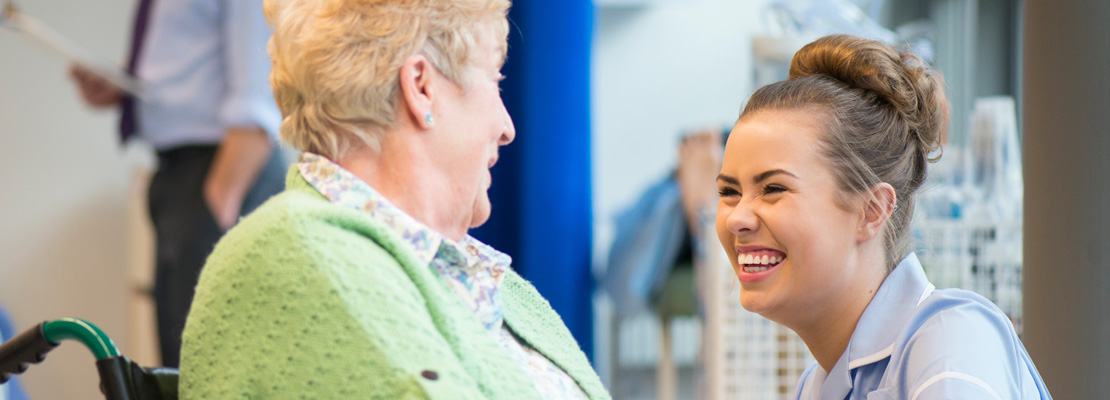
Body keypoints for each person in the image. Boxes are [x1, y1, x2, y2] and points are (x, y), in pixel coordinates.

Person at [178, 0, 610, 398]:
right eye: (495, 79)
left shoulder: (468, 269)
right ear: (421, 87)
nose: (507, 126)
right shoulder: (298, 251)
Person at [714, 34, 1051, 399]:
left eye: (773, 189)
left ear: (871, 211)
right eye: (729, 192)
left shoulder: (951, 342)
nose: (737, 218)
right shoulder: (814, 386)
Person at [68, 0, 286, 367]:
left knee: (213, 367)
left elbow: (257, 98)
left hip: (224, 174)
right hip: (180, 175)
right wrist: (125, 83)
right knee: (180, 366)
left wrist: (218, 203)